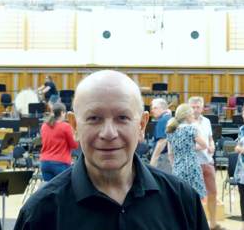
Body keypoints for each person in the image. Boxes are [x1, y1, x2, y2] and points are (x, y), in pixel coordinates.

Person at [14, 70, 209, 230]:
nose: (109, 133)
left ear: (141, 125)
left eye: (122, 117)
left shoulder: (183, 200)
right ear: (74, 126)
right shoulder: (40, 213)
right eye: (94, 118)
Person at [189, 96, 225, 230]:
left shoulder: (207, 121)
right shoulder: (185, 124)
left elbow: (210, 138)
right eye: (193, 107)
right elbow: (184, 145)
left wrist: (212, 145)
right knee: (195, 195)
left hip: (208, 161)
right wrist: (200, 146)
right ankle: (196, 223)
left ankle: (213, 222)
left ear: (202, 108)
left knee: (213, 193)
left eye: (198, 107)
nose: (195, 109)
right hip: (193, 163)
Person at [167, 103, 208, 198]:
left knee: (180, 196)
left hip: (177, 166)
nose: (193, 116)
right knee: (195, 196)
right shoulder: (191, 129)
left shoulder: (170, 130)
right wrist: (190, 148)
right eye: (192, 114)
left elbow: (170, 153)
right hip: (192, 166)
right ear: (187, 115)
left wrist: (174, 166)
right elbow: (204, 145)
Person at [40, 103, 78, 182]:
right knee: (63, 192)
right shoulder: (65, 126)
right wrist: (76, 134)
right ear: (62, 113)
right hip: (60, 163)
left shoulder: (44, 126)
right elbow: (74, 145)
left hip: (45, 163)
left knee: (49, 192)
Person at [149, 98, 172, 174]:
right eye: (152, 108)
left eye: (155, 108)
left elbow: (162, 141)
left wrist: (153, 159)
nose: (152, 110)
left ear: (163, 108)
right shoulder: (169, 118)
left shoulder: (163, 120)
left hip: (163, 158)